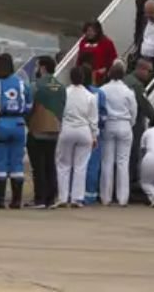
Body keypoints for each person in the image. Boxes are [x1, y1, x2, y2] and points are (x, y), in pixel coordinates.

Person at [0, 52, 32, 209]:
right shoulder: (22, 84)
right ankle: (16, 200)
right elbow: (29, 105)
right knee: (17, 162)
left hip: (0, 123)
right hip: (18, 124)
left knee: (0, 161)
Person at [124, 58, 154, 196]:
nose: (150, 74)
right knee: (132, 156)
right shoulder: (137, 85)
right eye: (149, 71)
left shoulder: (125, 80)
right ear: (141, 69)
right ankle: (131, 187)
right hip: (133, 125)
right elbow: (146, 107)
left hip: (120, 123)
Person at [55, 66, 99, 208]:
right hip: (84, 130)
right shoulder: (90, 96)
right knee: (81, 166)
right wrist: (94, 136)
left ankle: (63, 197)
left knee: (63, 165)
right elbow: (94, 119)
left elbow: (59, 113)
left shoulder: (64, 93)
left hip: (67, 129)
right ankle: (77, 198)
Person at [27, 55, 65, 209]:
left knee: (38, 166)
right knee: (51, 164)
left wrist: (28, 123)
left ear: (42, 67)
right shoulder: (61, 87)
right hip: (55, 129)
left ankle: (40, 198)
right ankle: (51, 197)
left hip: (37, 129)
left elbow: (28, 108)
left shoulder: (35, 86)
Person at [99, 61, 137, 206]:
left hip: (108, 124)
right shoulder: (128, 91)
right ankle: (122, 198)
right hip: (124, 124)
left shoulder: (103, 89)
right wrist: (130, 123)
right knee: (123, 162)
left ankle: (106, 197)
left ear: (109, 74)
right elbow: (134, 111)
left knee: (107, 161)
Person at [82, 66, 108, 206]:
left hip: (77, 129)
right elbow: (104, 115)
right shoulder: (99, 93)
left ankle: (74, 193)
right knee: (93, 165)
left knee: (76, 165)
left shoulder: (71, 92)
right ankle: (90, 194)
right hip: (94, 133)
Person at [76, 21, 118, 85]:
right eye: (87, 31)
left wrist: (106, 69)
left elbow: (113, 59)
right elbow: (79, 59)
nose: (89, 33)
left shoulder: (107, 42)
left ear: (97, 31)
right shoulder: (83, 42)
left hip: (101, 78)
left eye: (91, 31)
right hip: (84, 76)